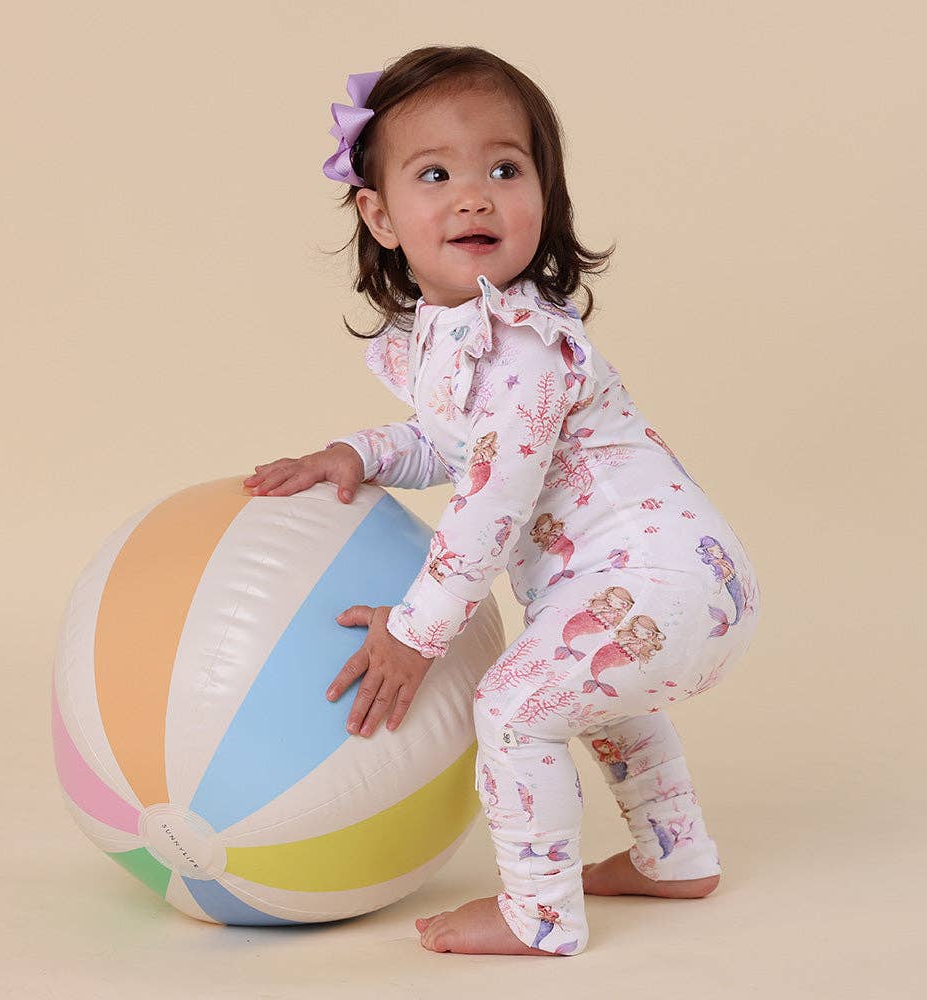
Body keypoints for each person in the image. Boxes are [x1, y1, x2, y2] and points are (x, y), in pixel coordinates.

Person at [243, 46, 761, 958]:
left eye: (505, 170)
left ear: (545, 200)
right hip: (665, 588)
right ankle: (675, 855)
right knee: (600, 701)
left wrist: (416, 633)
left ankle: (539, 912)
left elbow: (490, 504)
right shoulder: (452, 336)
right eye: (435, 174)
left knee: (516, 707)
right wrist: (356, 454)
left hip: (663, 583)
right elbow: (446, 443)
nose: (474, 197)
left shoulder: (524, 347)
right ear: (379, 214)